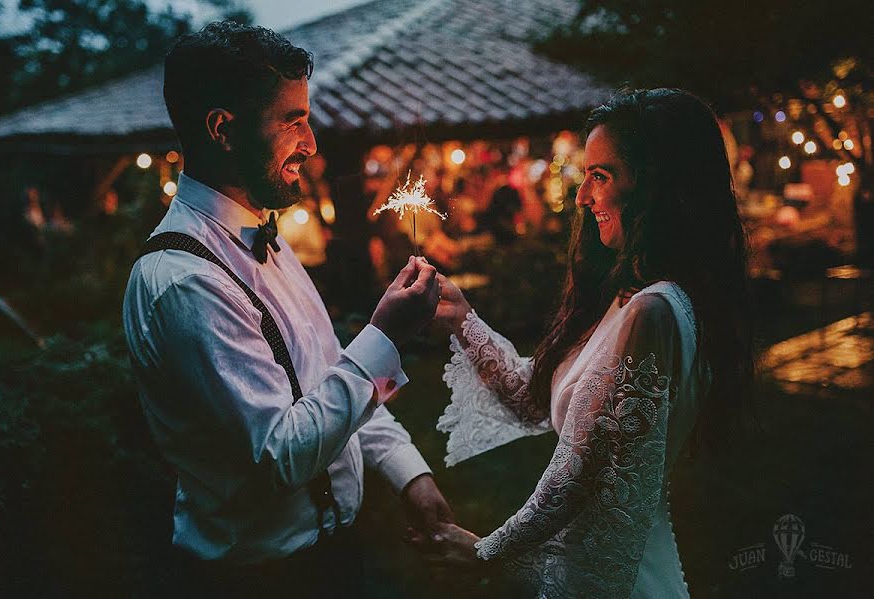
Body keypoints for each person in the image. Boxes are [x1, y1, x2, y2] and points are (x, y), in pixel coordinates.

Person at [122, 22, 452, 597]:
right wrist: (386, 335)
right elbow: (279, 454)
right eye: (292, 120)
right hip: (258, 578)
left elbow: (331, 384)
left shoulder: (265, 240)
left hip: (335, 555)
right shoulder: (185, 283)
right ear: (223, 129)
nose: (312, 142)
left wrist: (412, 479)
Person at [416, 89, 754, 598]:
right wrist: (463, 319)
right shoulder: (632, 298)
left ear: (655, 185)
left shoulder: (654, 312)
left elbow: (578, 476)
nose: (581, 197)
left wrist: (486, 551)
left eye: (601, 176)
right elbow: (537, 397)